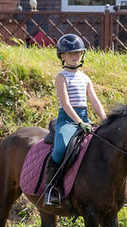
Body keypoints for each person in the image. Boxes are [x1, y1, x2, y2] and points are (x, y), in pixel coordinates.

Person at [43, 33, 107, 206]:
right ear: (62, 56)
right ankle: (51, 188)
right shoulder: (61, 77)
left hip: (85, 118)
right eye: (70, 54)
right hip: (68, 120)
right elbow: (65, 104)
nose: (75, 56)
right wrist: (79, 122)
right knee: (60, 148)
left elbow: (94, 101)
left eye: (78, 53)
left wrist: (104, 118)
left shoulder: (85, 78)